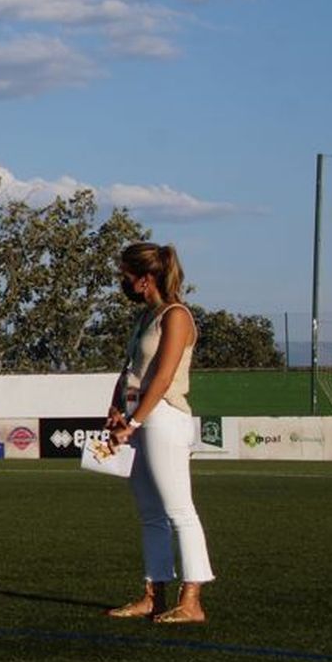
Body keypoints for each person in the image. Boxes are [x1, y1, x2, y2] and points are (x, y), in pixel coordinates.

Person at [105, 243, 214, 624]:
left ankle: (192, 599)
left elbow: (164, 376)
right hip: (138, 417)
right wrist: (116, 410)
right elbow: (131, 370)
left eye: (126, 275)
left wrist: (134, 421)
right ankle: (154, 594)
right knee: (151, 513)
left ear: (145, 279)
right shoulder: (145, 317)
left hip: (164, 418)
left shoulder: (176, 315)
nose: (123, 281)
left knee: (179, 510)